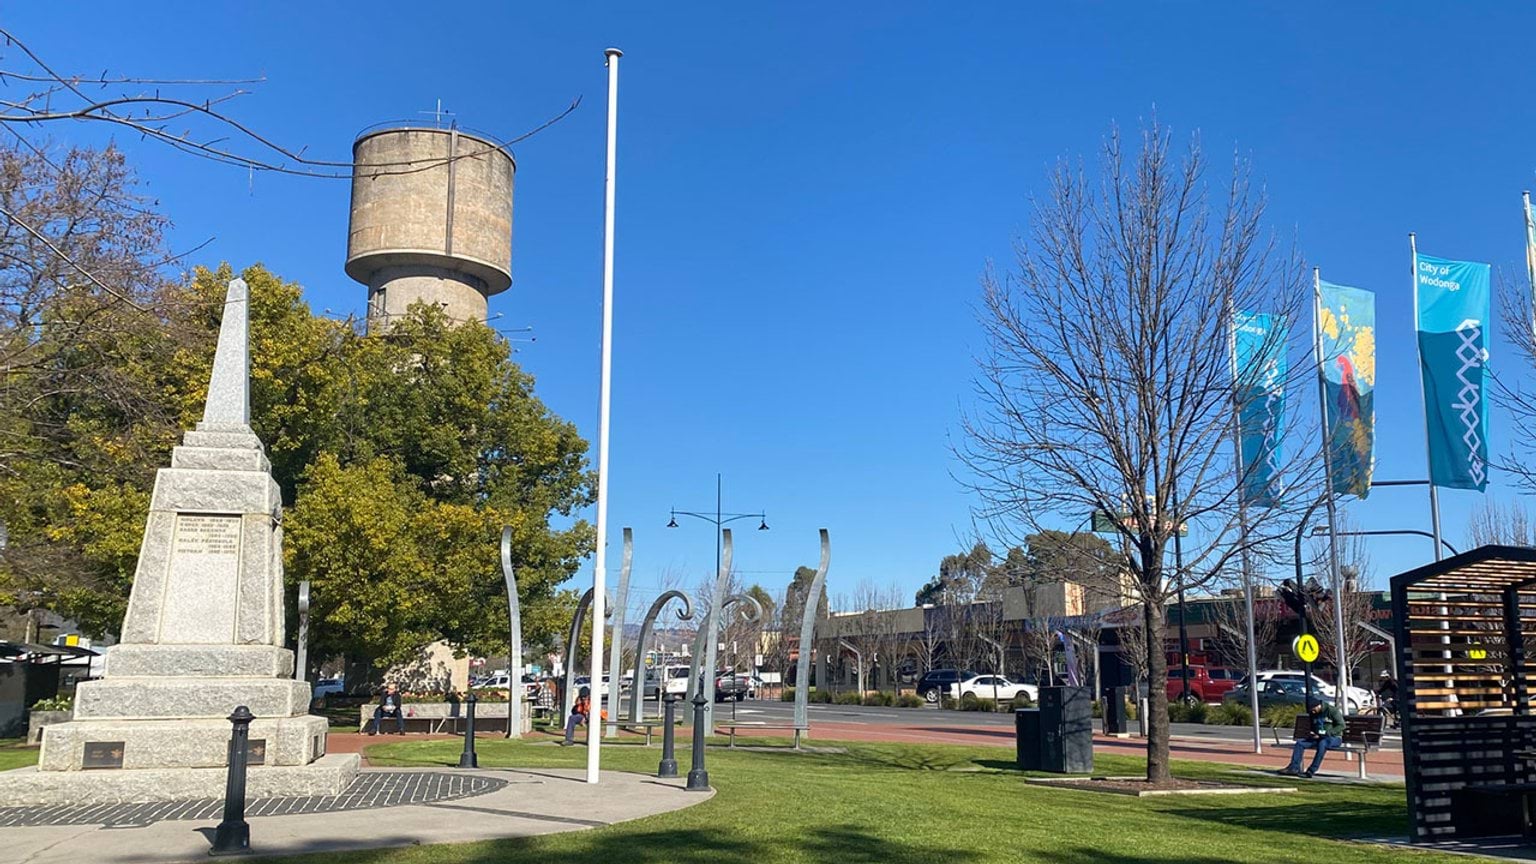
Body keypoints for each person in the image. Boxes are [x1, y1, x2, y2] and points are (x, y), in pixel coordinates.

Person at [1280, 698, 1345, 778]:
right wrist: (1313, 733)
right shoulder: (1313, 713)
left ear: (1318, 706)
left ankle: (1311, 771)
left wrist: (1328, 732)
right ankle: (1294, 767)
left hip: (1334, 738)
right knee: (1300, 743)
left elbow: (1342, 725)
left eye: (1313, 710)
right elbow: (1313, 726)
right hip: (1319, 737)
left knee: (1322, 744)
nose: (1312, 712)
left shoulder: (1332, 711)